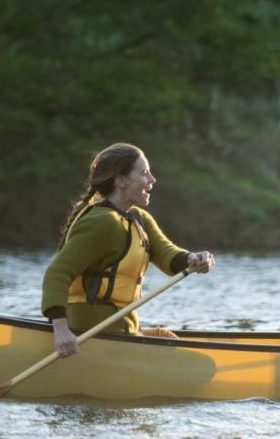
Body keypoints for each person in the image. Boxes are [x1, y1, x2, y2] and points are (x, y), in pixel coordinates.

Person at [41, 143, 215, 357]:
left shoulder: (139, 218)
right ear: (121, 180)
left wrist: (193, 259)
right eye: (144, 173)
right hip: (92, 334)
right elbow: (57, 273)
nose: (152, 180)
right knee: (203, 365)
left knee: (167, 338)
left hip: (125, 330)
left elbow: (168, 255)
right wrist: (60, 330)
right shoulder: (101, 223)